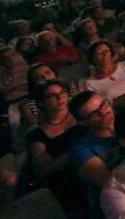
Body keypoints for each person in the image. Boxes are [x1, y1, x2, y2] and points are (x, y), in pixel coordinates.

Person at [27, 79, 86, 210]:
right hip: (68, 180)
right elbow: (42, 170)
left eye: (62, 92)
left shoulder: (82, 113)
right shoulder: (37, 134)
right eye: (52, 96)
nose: (60, 97)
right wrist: (76, 152)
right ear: (41, 103)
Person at [83, 39, 125, 103]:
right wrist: (121, 98)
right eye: (100, 52)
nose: (105, 54)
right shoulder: (90, 83)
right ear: (93, 58)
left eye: (107, 50)